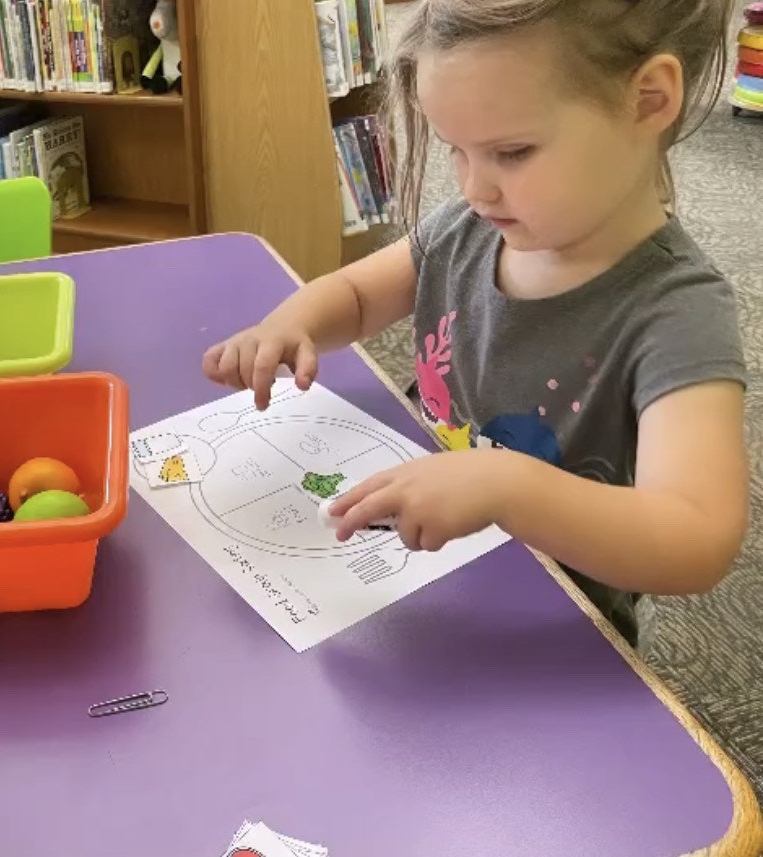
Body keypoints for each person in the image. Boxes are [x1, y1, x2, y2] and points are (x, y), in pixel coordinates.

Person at [201, 0, 748, 646]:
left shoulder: (678, 309)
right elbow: (355, 295)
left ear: (649, 100)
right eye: (455, 151)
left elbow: (696, 536)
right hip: (412, 567)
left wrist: (506, 486)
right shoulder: (469, 228)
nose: (474, 189)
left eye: (511, 152)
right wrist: (291, 324)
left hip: (546, 630)